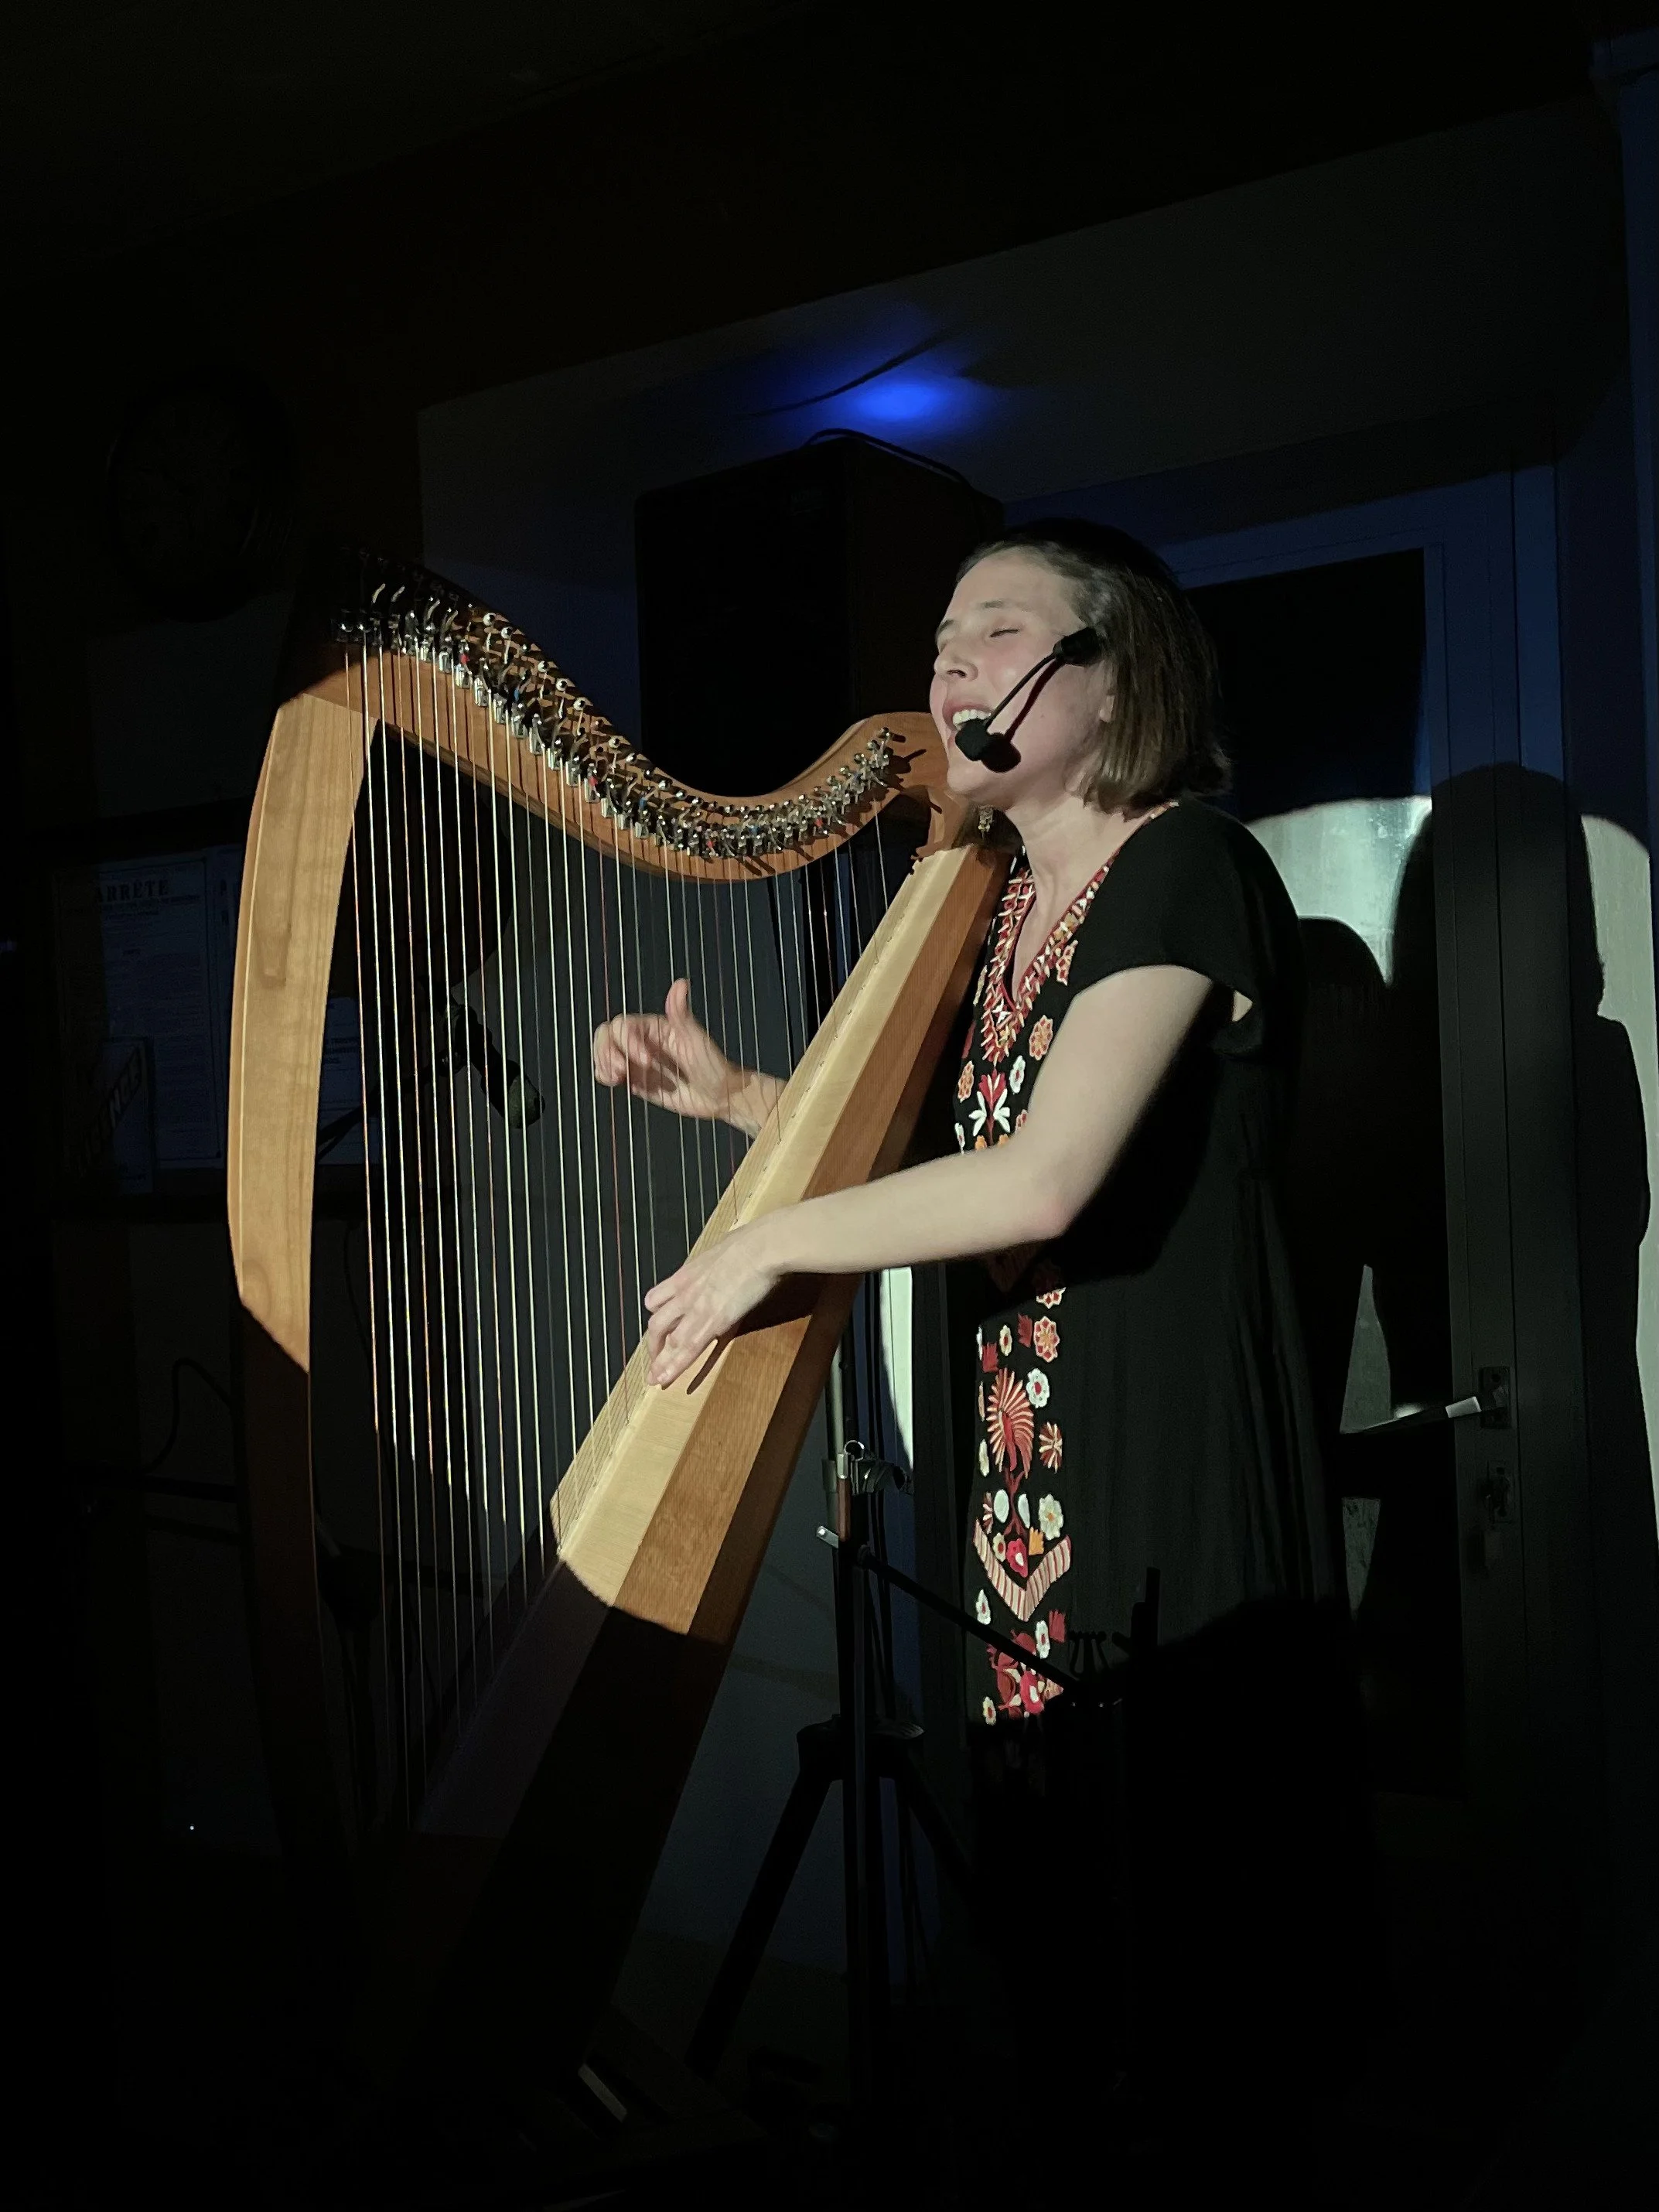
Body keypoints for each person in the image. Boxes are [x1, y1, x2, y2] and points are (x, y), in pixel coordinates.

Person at [595, 521, 1366, 2134]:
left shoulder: (1187, 865)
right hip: (1025, 1512)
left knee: (1191, 1987)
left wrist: (763, 1249)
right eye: (940, 634)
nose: (949, 659)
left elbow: (1041, 1179)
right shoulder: (998, 911)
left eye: (999, 627)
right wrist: (739, 1099)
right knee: (1062, 1984)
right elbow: (946, 1168)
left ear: (1117, 674)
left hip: (1161, 1490)